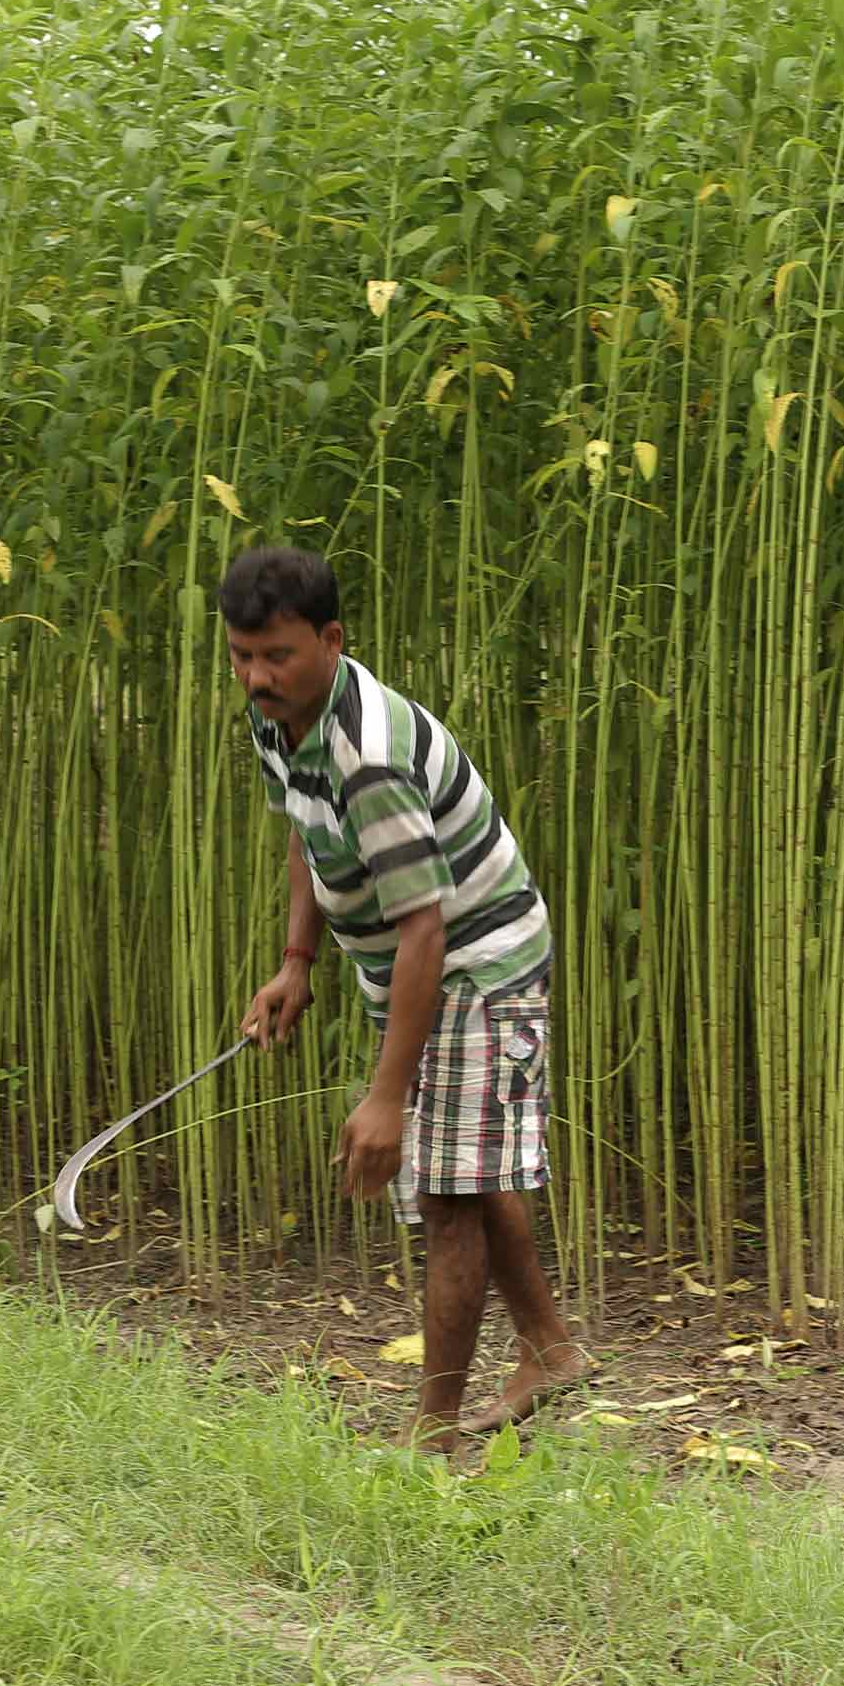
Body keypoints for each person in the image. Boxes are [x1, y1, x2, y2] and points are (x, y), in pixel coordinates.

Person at [223, 547, 593, 1450]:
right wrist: (297, 961)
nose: (258, 677)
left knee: (446, 1193)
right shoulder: (281, 721)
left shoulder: (370, 760)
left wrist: (387, 1096)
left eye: (277, 656)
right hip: (423, 965)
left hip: (480, 960)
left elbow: (426, 928)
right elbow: (307, 835)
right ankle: (549, 1349)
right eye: (242, 656)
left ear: (332, 640)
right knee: (465, 1171)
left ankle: (432, 1439)